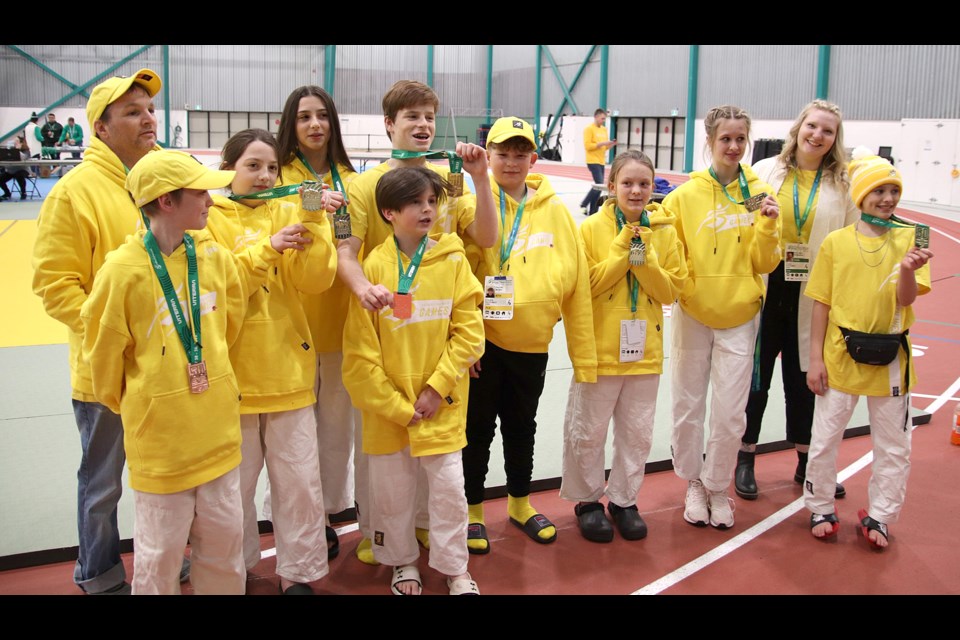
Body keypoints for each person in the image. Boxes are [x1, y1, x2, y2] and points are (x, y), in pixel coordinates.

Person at [79, 150, 259, 595]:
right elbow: (101, 358)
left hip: (218, 438)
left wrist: (212, 377)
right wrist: (149, 402)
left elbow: (229, 326)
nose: (211, 202)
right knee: (159, 560)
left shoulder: (215, 259)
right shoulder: (121, 273)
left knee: (223, 552)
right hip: (162, 448)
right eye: (200, 193)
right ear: (165, 202)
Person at [339, 79, 496, 565]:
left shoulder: (447, 180)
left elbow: (486, 235)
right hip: (387, 325)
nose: (423, 125)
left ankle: (428, 530)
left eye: (429, 116)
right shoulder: (362, 185)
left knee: (437, 452)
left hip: (438, 328)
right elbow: (345, 251)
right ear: (389, 125)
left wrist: (481, 177)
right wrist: (363, 288)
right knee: (385, 451)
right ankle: (381, 531)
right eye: (411, 117)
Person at [31, 68, 171, 595]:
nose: (148, 119)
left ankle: (159, 557)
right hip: (106, 371)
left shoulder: (159, 182)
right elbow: (54, 285)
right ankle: (99, 571)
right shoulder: (75, 194)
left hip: (165, 365)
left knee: (164, 476)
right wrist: (115, 334)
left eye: (150, 109)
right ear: (101, 128)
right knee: (103, 482)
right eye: (133, 112)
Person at [206, 128, 341, 595]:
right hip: (232, 376)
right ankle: (234, 570)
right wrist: (267, 248)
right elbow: (218, 290)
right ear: (229, 169)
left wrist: (316, 222)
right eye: (252, 166)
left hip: (288, 371)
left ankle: (300, 572)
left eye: (271, 167)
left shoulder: (291, 209)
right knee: (231, 490)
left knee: (300, 483)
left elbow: (316, 280)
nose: (264, 176)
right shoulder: (206, 217)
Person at [342, 166, 484, 595]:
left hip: (442, 406)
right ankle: (403, 562)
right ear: (389, 212)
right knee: (393, 496)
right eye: (415, 203)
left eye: (431, 202)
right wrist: (399, 407)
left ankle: (456, 567)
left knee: (449, 494)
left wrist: (436, 388)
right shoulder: (372, 268)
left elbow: (470, 332)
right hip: (391, 416)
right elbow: (359, 357)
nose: (427, 210)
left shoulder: (453, 259)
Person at [461, 116, 596, 554]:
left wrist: (583, 354)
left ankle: (520, 503)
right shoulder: (471, 200)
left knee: (522, 427)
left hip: (532, 343)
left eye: (521, 154)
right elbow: (451, 272)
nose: (512, 161)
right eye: (503, 153)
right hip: (481, 343)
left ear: (533, 159)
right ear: (489, 155)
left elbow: (575, 281)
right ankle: (472, 511)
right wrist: (461, 339)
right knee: (475, 429)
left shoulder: (556, 211)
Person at [804, 154, 932, 548]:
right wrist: (814, 359)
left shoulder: (913, 237)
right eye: (879, 190)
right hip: (841, 355)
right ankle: (821, 505)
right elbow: (821, 304)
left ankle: (880, 516)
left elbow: (907, 299)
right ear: (861, 195)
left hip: (891, 359)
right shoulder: (836, 242)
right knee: (825, 437)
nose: (888, 198)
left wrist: (908, 269)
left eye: (894, 190)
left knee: (895, 444)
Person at [663, 105, 781, 530]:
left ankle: (717, 486)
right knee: (688, 405)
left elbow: (765, 262)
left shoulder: (758, 193)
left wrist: (767, 227)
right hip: (693, 315)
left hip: (740, 315)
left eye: (740, 139)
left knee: (731, 412)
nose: (733, 147)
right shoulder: (683, 197)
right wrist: (688, 290)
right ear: (710, 142)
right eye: (725, 139)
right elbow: (670, 258)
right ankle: (694, 481)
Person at [560, 150, 686, 542]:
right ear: (611, 186)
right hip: (598, 349)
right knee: (588, 431)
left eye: (644, 184)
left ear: (653, 188)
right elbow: (587, 287)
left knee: (637, 433)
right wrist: (622, 250)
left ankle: (624, 499)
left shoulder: (664, 231)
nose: (636, 190)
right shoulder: (590, 230)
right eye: (627, 183)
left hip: (644, 350)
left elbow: (671, 290)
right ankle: (587, 500)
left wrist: (644, 257)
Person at [738, 100, 859, 501]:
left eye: (827, 131)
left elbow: (850, 242)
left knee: (806, 379)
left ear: (834, 139)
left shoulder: (843, 185)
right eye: (812, 126)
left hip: (813, 292)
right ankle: (745, 455)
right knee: (755, 380)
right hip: (768, 285)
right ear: (798, 128)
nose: (817, 135)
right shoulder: (764, 171)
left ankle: (808, 462)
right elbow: (745, 217)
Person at [276, 85, 358, 560]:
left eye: (322, 115)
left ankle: (326, 515)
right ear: (292, 123)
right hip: (292, 328)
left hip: (342, 324)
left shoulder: (351, 177)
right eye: (304, 116)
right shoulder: (279, 174)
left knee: (335, 431)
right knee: (294, 437)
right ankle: (297, 518)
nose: (314, 125)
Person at [579, 108, 617, 216]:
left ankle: (592, 210)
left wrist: (610, 144)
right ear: (596, 117)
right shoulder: (589, 129)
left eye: (605, 119)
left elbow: (604, 148)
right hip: (592, 160)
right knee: (599, 185)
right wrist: (601, 143)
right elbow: (588, 146)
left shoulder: (604, 129)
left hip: (601, 161)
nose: (603, 120)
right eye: (602, 118)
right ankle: (584, 203)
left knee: (598, 186)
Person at [1, 136, 30, 201]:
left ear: (21, 143)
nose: (14, 143)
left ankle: (23, 192)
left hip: (23, 170)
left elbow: (24, 158)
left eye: (16, 141)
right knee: (1, 179)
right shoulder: (9, 150)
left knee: (19, 175)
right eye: (14, 141)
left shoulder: (26, 150)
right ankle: (7, 193)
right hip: (10, 170)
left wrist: (18, 150)